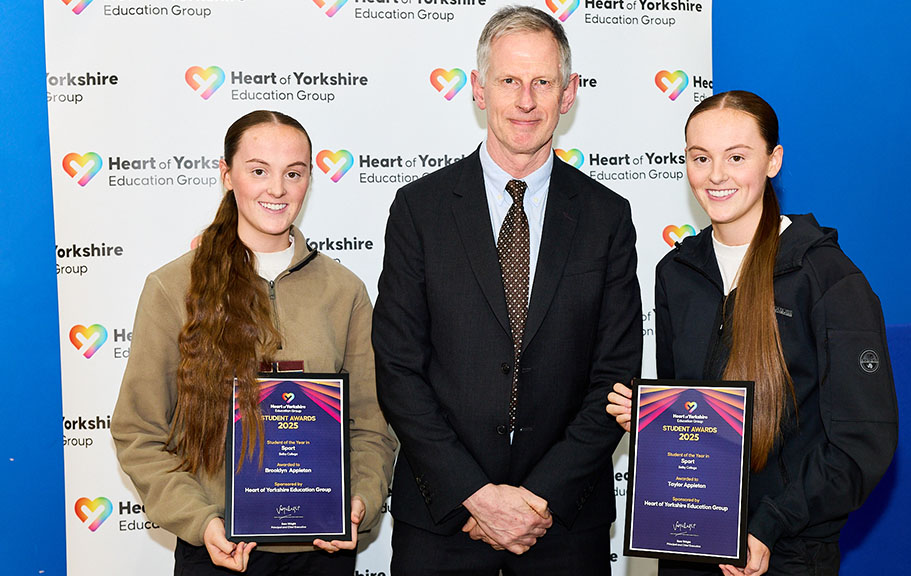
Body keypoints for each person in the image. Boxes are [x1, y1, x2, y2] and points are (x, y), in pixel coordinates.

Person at [372, 6, 643, 576]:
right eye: (509, 81)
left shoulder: (607, 217)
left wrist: (537, 500)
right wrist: (476, 494)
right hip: (443, 520)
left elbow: (615, 378)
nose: (526, 101)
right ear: (477, 89)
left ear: (567, 95)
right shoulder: (419, 211)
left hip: (564, 524)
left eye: (543, 82)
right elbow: (398, 369)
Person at [607, 91, 898, 576]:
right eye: (700, 158)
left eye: (736, 157)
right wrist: (656, 420)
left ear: (772, 161)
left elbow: (861, 443)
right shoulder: (675, 272)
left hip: (786, 553)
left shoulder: (826, 278)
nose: (716, 175)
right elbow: (699, 419)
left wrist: (770, 524)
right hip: (690, 547)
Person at [111, 110, 397, 575]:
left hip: (321, 554)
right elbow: (138, 432)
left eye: (294, 173)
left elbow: (371, 425)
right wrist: (201, 521)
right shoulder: (172, 288)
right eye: (258, 171)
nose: (278, 189)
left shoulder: (345, 292)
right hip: (217, 552)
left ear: (309, 179)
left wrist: (360, 499)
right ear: (227, 175)